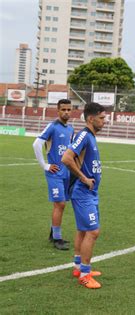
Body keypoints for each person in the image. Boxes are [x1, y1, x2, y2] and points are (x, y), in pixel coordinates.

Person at [62, 102, 106, 289]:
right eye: (102, 118)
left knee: (82, 229)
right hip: (83, 191)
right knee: (93, 231)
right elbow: (66, 158)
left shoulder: (91, 137)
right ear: (90, 118)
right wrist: (84, 178)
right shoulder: (84, 136)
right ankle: (85, 275)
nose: (105, 121)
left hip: (90, 192)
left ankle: (78, 267)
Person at [32, 99, 74, 250]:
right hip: (54, 172)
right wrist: (45, 165)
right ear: (58, 111)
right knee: (60, 204)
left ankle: (52, 233)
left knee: (61, 205)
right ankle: (57, 239)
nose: (66, 112)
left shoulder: (70, 129)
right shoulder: (52, 126)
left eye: (69, 109)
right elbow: (36, 144)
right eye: (63, 109)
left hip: (66, 173)